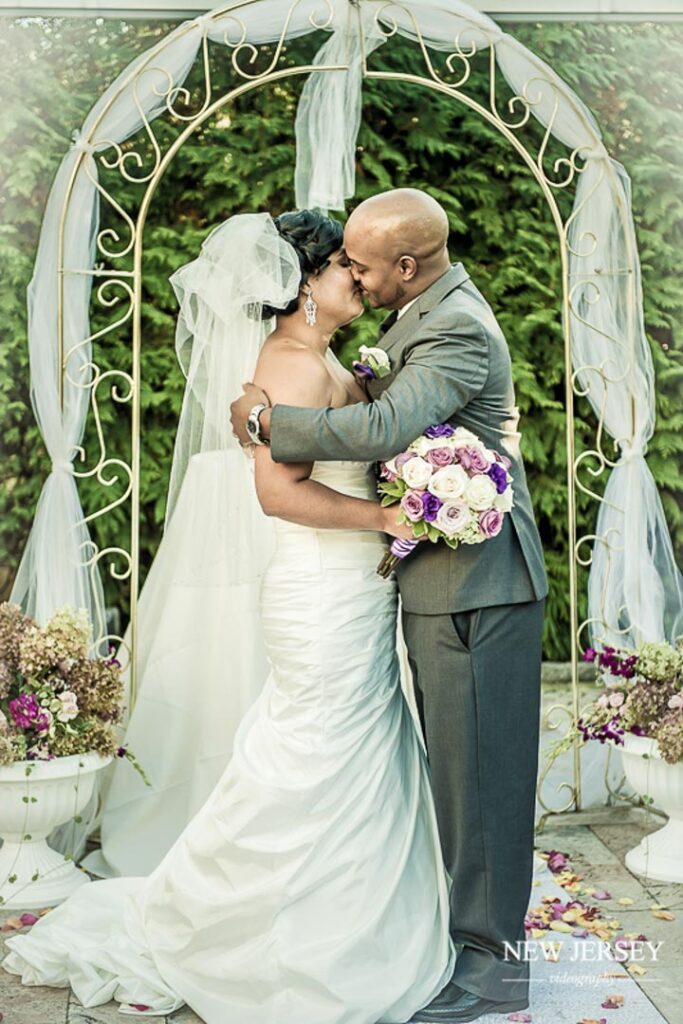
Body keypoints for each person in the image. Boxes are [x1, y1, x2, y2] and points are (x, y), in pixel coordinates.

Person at [2, 210, 466, 1024]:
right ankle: (249, 928)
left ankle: (344, 919)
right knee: (309, 753)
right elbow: (276, 493)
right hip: (321, 592)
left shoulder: (316, 357)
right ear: (304, 284)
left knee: (348, 753)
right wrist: (385, 520)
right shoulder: (288, 364)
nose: (357, 280)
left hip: (351, 593)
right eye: (342, 270)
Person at [231, 188, 548, 1024]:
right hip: (435, 583)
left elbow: (381, 432)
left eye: (363, 265)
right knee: (459, 772)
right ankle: (468, 942)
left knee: (483, 779)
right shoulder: (421, 314)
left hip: (478, 584)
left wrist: (271, 421)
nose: (359, 280)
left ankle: (492, 969)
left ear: (405, 266)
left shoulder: (455, 327)